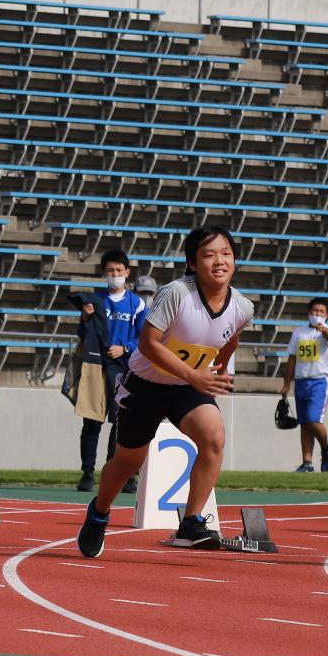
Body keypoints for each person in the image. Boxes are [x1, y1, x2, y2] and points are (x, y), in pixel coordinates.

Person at [78, 225, 254, 557]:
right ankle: (99, 511)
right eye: (209, 254)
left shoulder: (243, 307)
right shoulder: (176, 293)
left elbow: (231, 335)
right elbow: (147, 343)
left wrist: (218, 368)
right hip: (145, 385)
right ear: (192, 263)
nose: (220, 261)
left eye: (226, 253)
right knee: (130, 460)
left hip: (187, 386)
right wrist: (194, 374)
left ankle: (191, 521)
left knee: (213, 436)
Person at [72, 248, 145, 491]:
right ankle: (87, 474)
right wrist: (84, 318)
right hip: (95, 366)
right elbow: (82, 334)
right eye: (109, 271)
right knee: (91, 422)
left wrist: (125, 348)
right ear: (104, 274)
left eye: (118, 270)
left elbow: (144, 338)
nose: (114, 274)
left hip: (124, 368)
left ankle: (120, 473)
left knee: (121, 423)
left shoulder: (137, 303)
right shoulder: (95, 300)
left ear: (127, 272)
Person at [281, 297, 328, 473]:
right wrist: (286, 383)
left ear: (327, 314)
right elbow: (292, 358)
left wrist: (323, 330)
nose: (317, 315)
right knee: (304, 423)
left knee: (313, 419)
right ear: (309, 313)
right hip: (301, 381)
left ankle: (326, 449)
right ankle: (307, 462)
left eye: (321, 312)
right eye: (315, 311)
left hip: (320, 380)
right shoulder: (299, 332)